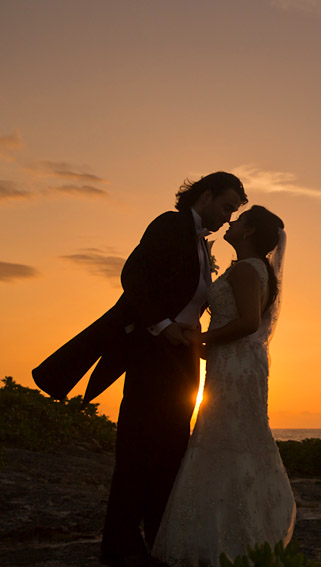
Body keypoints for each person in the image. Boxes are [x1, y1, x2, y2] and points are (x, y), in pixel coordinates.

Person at [32, 172, 247, 567]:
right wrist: (163, 326)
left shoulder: (202, 242)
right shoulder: (170, 223)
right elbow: (134, 277)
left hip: (179, 353)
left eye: (234, 212)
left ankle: (158, 537)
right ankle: (119, 546)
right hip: (152, 348)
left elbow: (185, 296)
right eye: (226, 206)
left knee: (171, 447)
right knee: (137, 446)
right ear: (205, 195)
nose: (228, 217)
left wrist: (189, 332)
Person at [152, 206, 296, 567]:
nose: (231, 223)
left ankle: (234, 535)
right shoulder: (249, 268)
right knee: (229, 435)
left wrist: (204, 341)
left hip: (237, 365)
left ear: (248, 232)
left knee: (230, 437)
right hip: (234, 362)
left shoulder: (248, 270)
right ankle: (228, 530)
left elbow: (248, 322)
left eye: (238, 219)